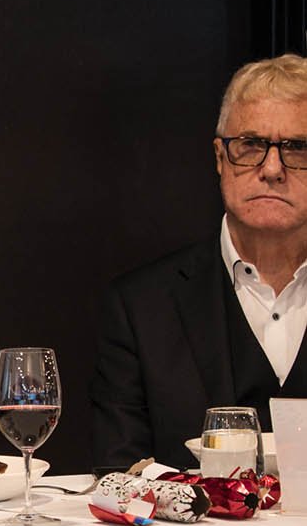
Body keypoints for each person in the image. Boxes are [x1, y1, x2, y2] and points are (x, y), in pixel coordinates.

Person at [90, 53, 307, 471]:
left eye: (297, 148)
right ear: (220, 158)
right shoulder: (139, 308)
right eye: (251, 145)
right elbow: (119, 477)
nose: (273, 169)